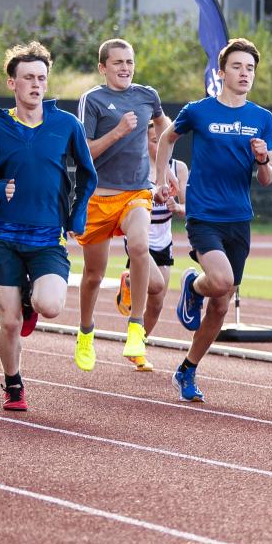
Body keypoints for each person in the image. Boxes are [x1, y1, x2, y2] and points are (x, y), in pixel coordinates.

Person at [0, 42, 95, 411]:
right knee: (8, 323)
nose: (36, 84)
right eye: (28, 78)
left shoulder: (67, 125)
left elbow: (88, 173)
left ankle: (29, 298)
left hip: (48, 238)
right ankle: (13, 383)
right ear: (12, 84)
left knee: (50, 305)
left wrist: (77, 214)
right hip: (4, 238)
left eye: (41, 78)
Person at [155, 38, 272, 404]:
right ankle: (193, 286)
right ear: (221, 73)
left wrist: (263, 159)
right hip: (203, 213)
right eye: (237, 67)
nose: (244, 74)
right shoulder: (198, 110)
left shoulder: (262, 118)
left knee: (222, 303)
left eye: (250, 68)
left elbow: (267, 179)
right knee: (220, 281)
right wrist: (162, 179)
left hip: (239, 217)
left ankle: (187, 368)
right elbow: (166, 138)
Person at [72, 39, 166, 372]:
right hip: (99, 196)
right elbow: (84, 153)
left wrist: (163, 172)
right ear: (103, 67)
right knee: (94, 275)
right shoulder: (92, 100)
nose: (125, 68)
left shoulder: (147, 95)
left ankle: (136, 329)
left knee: (140, 246)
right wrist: (118, 132)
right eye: (117, 63)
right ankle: (85, 332)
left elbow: (164, 129)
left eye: (129, 62)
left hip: (136, 193)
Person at [118, 125, 185, 343]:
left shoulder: (179, 168)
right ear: (143, 141)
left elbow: (189, 209)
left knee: (157, 302)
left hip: (164, 241)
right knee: (155, 285)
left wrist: (178, 207)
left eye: (166, 140)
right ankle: (130, 280)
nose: (161, 145)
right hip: (140, 238)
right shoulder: (135, 167)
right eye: (155, 140)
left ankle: (137, 345)